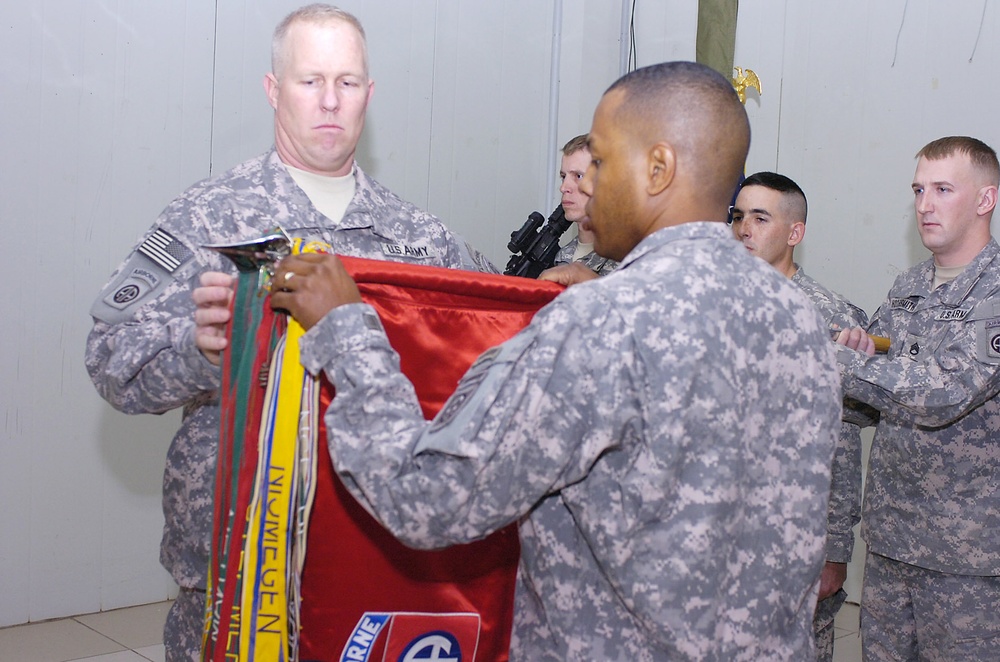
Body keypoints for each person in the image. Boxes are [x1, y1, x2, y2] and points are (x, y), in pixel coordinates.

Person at [254, 61, 842, 660]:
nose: (587, 190)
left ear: (658, 169)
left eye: (603, 165)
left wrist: (346, 331)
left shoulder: (603, 321)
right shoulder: (802, 322)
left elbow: (428, 499)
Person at [84, 5, 496, 661]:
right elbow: (110, 361)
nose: (330, 101)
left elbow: (492, 347)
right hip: (238, 573)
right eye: (309, 81)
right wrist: (202, 353)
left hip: (377, 564)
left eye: (348, 81)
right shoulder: (209, 218)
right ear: (274, 90)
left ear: (370, 93)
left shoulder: (419, 239)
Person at [835, 136, 1000, 661]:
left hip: (966, 556)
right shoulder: (909, 287)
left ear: (985, 200)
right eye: (917, 189)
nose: (924, 204)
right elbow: (867, 401)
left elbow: (944, 393)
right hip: (890, 539)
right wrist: (856, 351)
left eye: (943, 189)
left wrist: (834, 361)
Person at [731, 171, 869, 661]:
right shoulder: (723, 304)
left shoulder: (827, 317)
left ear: (795, 233)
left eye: (761, 218)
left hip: (795, 542)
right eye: (738, 216)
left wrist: (834, 551)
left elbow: (843, 444)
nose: (744, 229)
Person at [546, 134, 619, 280]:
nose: (564, 187)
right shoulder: (563, 256)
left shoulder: (633, 257)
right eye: (563, 176)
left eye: (578, 176)